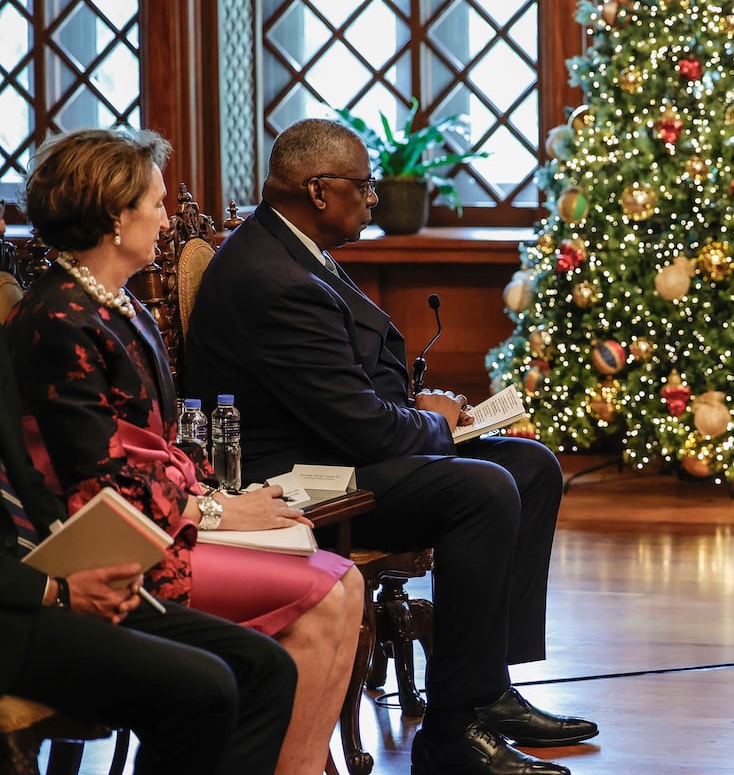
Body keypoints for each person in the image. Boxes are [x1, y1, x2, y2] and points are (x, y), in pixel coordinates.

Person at [184, 118, 596, 775]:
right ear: (319, 190)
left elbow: (351, 398)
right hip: (290, 478)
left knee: (531, 464)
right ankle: (451, 735)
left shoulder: (292, 247)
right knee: (482, 487)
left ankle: (486, 689)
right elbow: (362, 427)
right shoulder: (272, 277)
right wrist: (435, 421)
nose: (372, 199)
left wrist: (441, 416)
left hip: (332, 450)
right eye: (364, 187)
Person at [6, 130, 364, 775]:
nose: (168, 218)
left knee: (342, 576)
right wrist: (218, 516)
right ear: (117, 217)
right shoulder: (57, 321)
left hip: (156, 519)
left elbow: (162, 451)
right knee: (327, 595)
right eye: (155, 202)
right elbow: (102, 482)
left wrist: (216, 501)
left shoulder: (118, 305)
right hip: (116, 550)